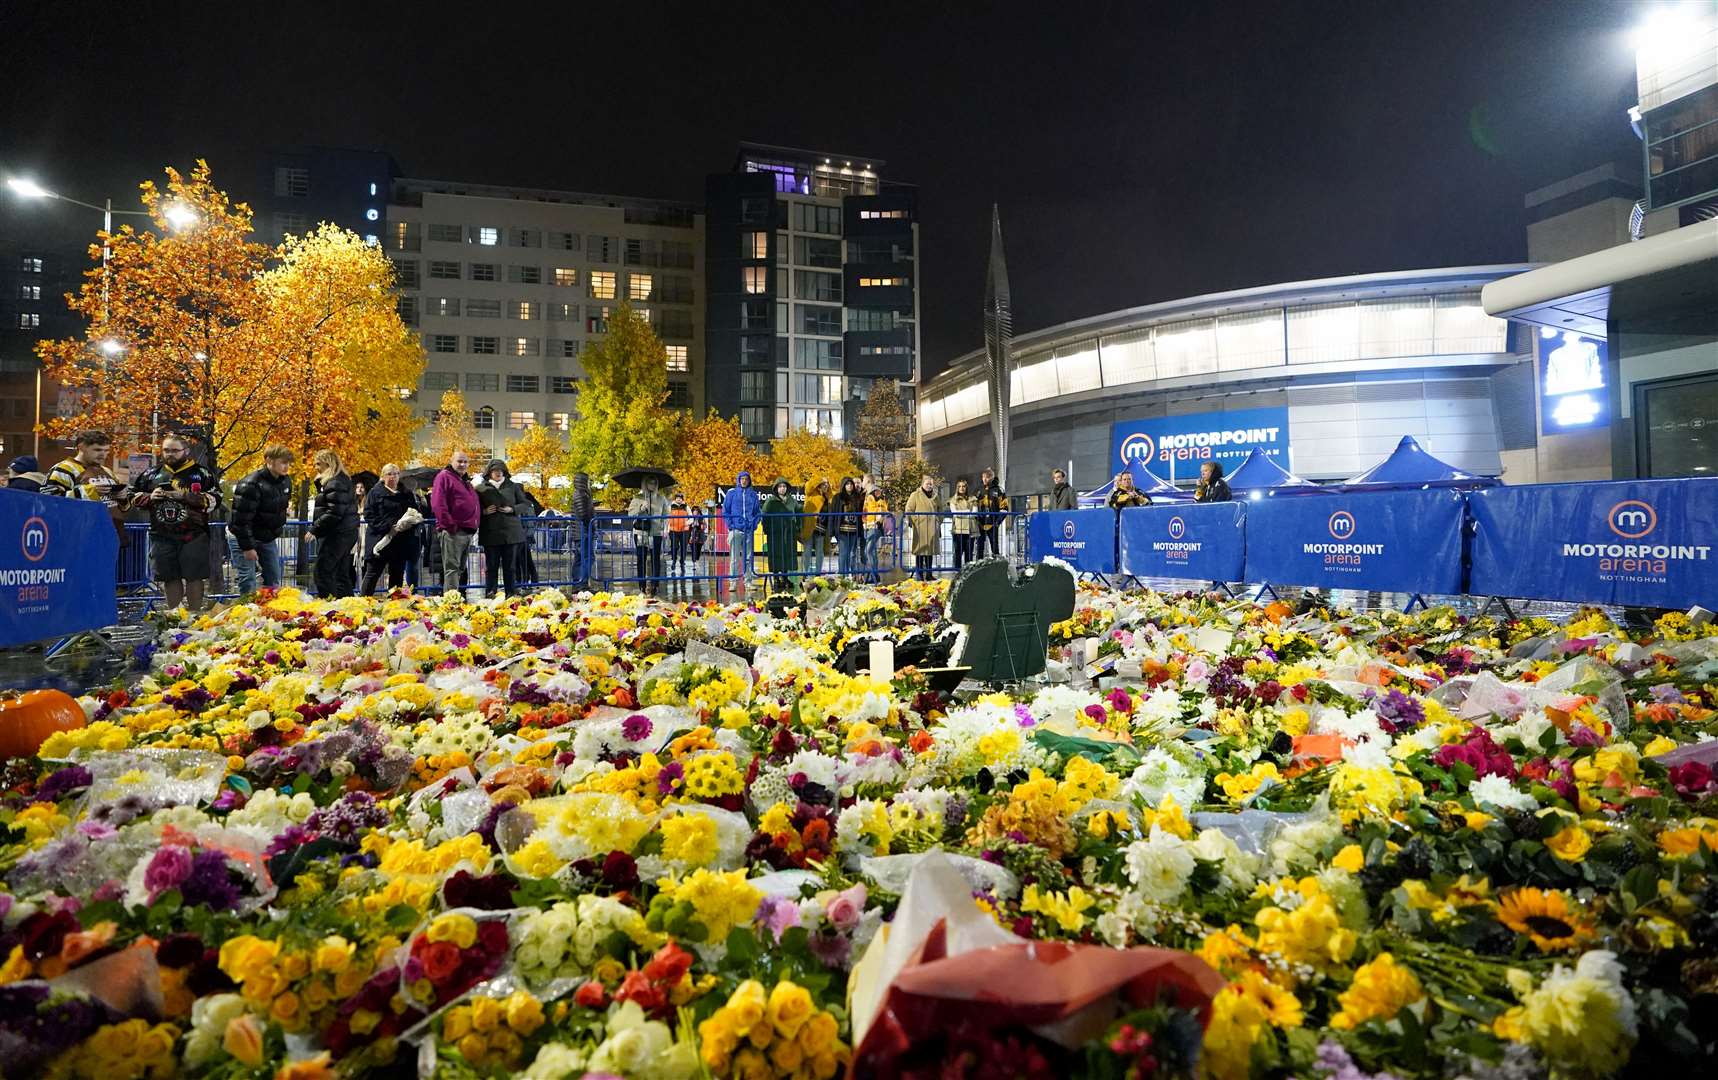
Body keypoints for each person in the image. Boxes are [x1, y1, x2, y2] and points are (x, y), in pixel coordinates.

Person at [130, 433, 221, 610]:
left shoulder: (202, 473)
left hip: (194, 534)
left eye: (174, 450)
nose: (170, 454)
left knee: (194, 576)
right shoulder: (151, 474)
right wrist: (150, 497)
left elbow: (217, 499)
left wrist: (187, 496)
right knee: (169, 577)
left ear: (186, 451)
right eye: (166, 450)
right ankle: (175, 615)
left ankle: (195, 615)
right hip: (161, 534)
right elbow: (130, 495)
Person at [227, 444, 293, 594]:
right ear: (269, 461)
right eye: (283, 462)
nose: (286, 466)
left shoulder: (285, 481)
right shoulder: (251, 484)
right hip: (241, 534)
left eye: (288, 462)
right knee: (247, 579)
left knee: (274, 577)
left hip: (266, 535)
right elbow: (241, 520)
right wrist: (248, 547)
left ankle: (270, 610)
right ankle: (246, 611)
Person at [360, 463, 420, 595]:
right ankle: (364, 601)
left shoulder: (406, 493)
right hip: (379, 539)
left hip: (400, 540)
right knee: (373, 573)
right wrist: (388, 526)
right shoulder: (375, 493)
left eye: (396, 474)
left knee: (397, 574)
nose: (393, 477)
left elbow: (415, 512)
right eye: (389, 474)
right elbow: (369, 515)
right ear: (383, 477)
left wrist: (408, 524)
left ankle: (394, 605)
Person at [308, 450, 358, 598]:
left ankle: (330, 608)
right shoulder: (341, 480)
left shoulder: (334, 482)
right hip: (345, 532)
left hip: (337, 533)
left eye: (318, 464)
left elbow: (334, 512)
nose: (316, 467)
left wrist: (314, 529)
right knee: (340, 574)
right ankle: (346, 607)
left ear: (328, 463)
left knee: (323, 571)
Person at [474, 460, 528, 597]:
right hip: (490, 533)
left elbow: (525, 504)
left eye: (500, 470)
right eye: (495, 470)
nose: (498, 472)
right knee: (491, 566)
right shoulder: (481, 488)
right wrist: (484, 511)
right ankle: (491, 593)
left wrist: (512, 509)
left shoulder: (513, 486)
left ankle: (510, 593)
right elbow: (474, 507)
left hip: (511, 533)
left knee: (510, 567)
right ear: (489, 473)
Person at [430, 450, 480, 596]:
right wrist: (450, 526)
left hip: (466, 531)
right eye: (459, 461)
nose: (462, 464)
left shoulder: (464, 481)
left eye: (465, 462)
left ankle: (454, 599)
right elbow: (438, 504)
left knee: (458, 569)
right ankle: (451, 603)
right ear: (451, 461)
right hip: (454, 531)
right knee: (452, 569)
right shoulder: (444, 477)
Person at [44, 430, 120, 502]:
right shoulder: (62, 470)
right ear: (81, 447)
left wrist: (124, 497)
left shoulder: (108, 471)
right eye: (97, 450)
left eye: (106, 450)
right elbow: (47, 500)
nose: (103, 455)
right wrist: (88, 493)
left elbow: (121, 507)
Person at [626, 476, 670, 595]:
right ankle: (642, 585)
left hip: (656, 533)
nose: (653, 484)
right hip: (640, 532)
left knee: (656, 559)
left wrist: (665, 527)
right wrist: (641, 508)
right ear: (644, 483)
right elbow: (630, 514)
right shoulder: (637, 498)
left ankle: (655, 584)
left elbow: (666, 514)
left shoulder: (661, 498)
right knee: (641, 559)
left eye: (655, 481)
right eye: (650, 482)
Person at [720, 470, 762, 590]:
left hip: (748, 530)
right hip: (736, 530)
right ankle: (733, 581)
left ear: (749, 481)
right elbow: (726, 511)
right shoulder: (731, 493)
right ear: (738, 480)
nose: (744, 481)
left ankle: (748, 581)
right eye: (742, 479)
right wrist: (731, 525)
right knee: (734, 557)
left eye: (746, 479)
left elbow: (757, 512)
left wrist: (754, 524)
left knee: (748, 557)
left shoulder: (753, 495)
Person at [904, 474, 945, 581]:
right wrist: (915, 522)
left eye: (931, 484)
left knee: (930, 551)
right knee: (920, 551)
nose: (929, 486)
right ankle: (919, 573)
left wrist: (938, 521)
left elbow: (941, 510)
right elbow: (909, 509)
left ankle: (929, 573)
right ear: (923, 484)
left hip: (932, 528)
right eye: (927, 484)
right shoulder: (915, 495)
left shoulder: (936, 496)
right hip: (920, 528)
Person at [762, 478, 799, 592]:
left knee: (787, 554)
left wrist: (796, 527)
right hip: (775, 532)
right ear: (776, 488)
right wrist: (768, 529)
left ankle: (785, 577)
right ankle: (776, 578)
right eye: (780, 486)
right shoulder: (771, 501)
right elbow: (765, 516)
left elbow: (798, 513)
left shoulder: (792, 501)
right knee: (775, 554)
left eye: (784, 486)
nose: (782, 488)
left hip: (788, 532)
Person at [832, 477, 865, 577]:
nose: (850, 486)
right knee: (843, 553)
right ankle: (842, 576)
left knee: (852, 554)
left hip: (854, 530)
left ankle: (852, 575)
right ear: (843, 485)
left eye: (851, 484)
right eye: (847, 484)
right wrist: (832, 530)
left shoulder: (857, 497)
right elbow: (833, 513)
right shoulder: (838, 497)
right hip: (842, 529)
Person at [800, 478, 829, 579]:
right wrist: (820, 479)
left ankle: (818, 574)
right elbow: (808, 486)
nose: (826, 486)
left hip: (822, 528)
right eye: (823, 484)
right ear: (819, 485)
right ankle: (805, 574)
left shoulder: (828, 497)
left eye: (827, 484)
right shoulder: (811, 494)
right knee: (807, 550)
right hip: (810, 525)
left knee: (820, 552)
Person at [569, 471, 594, 589]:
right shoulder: (581, 494)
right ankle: (582, 583)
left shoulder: (580, 494)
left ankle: (577, 583)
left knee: (580, 558)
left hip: (580, 531)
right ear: (584, 482)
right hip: (583, 531)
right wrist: (592, 521)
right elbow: (584, 514)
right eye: (588, 481)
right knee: (587, 558)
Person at [976, 467, 1007, 558]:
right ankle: (979, 567)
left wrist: (997, 522)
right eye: (983, 477)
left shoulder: (999, 490)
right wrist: (977, 519)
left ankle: (996, 566)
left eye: (987, 477)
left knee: (994, 547)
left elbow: (1004, 508)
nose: (984, 479)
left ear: (992, 477)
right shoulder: (979, 490)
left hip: (993, 524)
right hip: (980, 524)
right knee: (979, 547)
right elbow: (974, 506)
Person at [948, 477, 978, 571]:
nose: (962, 488)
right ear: (957, 488)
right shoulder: (953, 500)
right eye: (959, 486)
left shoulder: (972, 499)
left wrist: (962, 512)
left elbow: (974, 513)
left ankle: (968, 573)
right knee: (958, 553)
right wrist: (967, 511)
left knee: (969, 553)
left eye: (964, 486)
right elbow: (955, 513)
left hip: (970, 530)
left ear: (966, 487)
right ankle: (957, 573)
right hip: (958, 529)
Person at [863, 482, 890, 583]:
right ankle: (874, 575)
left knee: (868, 551)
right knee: (871, 551)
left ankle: (873, 574)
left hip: (875, 528)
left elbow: (882, 512)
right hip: (870, 527)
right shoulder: (871, 499)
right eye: (877, 491)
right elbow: (865, 513)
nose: (879, 493)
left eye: (879, 491)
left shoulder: (879, 501)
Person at [516, 486, 543, 585]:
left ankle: (523, 580)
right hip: (525, 534)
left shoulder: (523, 503)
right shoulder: (527, 501)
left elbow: (526, 520)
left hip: (522, 534)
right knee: (526, 557)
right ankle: (530, 579)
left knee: (522, 558)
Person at [667, 492, 691, 578]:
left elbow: (691, 517)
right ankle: (674, 560)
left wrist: (686, 523)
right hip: (673, 530)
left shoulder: (686, 507)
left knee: (683, 546)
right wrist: (666, 529)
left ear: (682, 499)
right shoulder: (670, 507)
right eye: (677, 498)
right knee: (674, 546)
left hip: (684, 530)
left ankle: (682, 561)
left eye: (680, 498)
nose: (679, 499)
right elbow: (666, 518)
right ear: (675, 499)